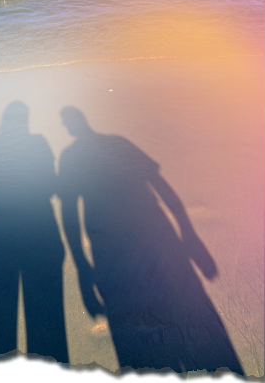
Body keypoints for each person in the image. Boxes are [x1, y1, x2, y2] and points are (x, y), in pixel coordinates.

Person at [58, 106, 243, 375]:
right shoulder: (111, 145)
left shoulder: (74, 156)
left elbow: (69, 213)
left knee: (148, 324)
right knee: (174, 308)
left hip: (130, 242)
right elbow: (159, 184)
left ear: (70, 126)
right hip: (144, 236)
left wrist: (81, 266)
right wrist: (187, 232)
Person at [0, 102, 67, 364]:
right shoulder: (40, 143)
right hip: (39, 227)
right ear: (26, 122)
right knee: (43, 309)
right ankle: (48, 369)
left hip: (0, 230)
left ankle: (0, 367)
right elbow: (52, 186)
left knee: (0, 308)